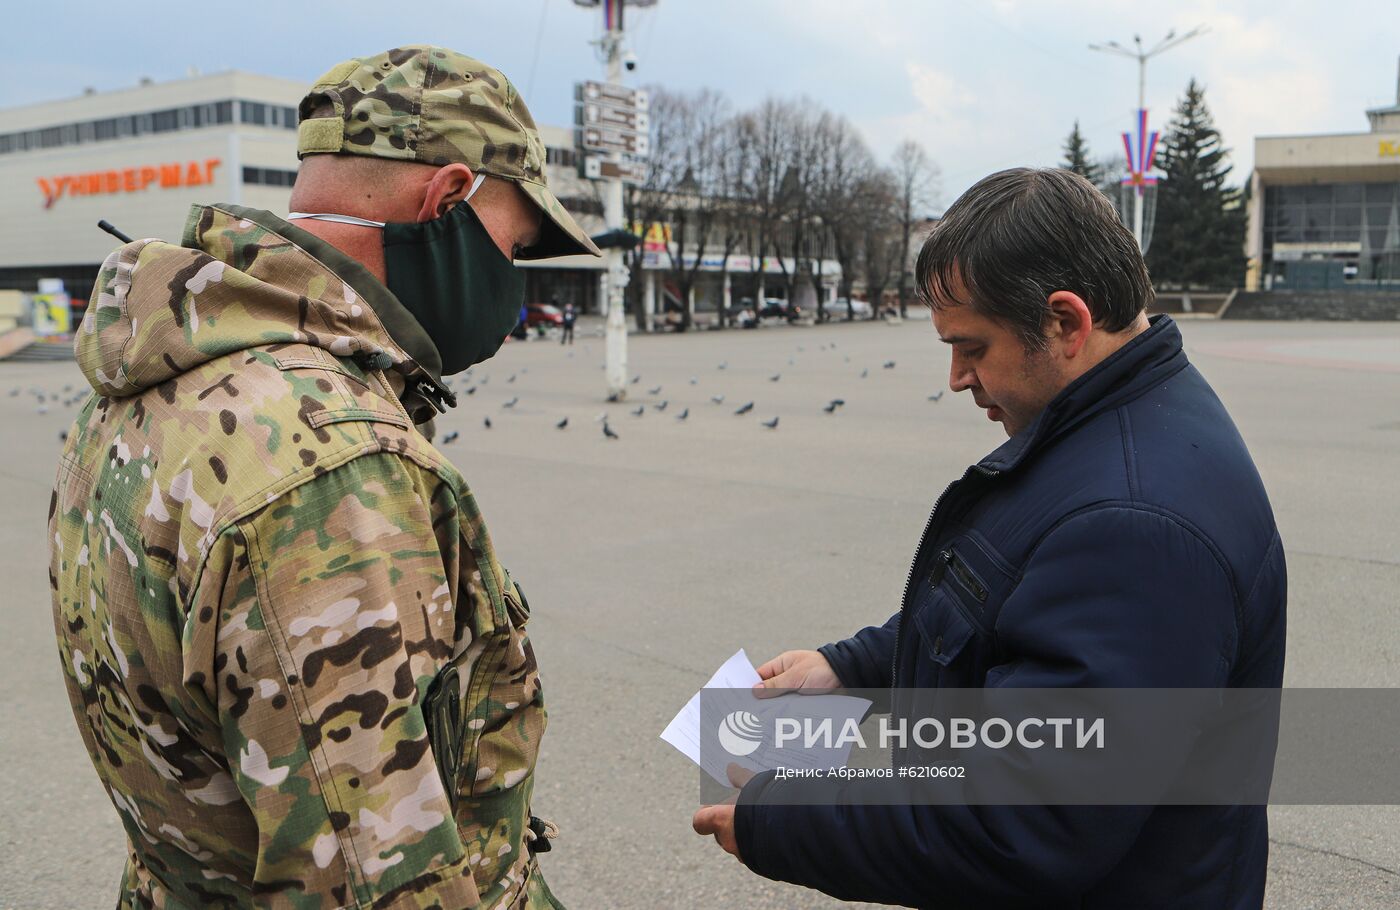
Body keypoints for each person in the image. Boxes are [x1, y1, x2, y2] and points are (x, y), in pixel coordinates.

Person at [49, 45, 599, 908]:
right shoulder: (330, 471)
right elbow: (372, 877)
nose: (510, 279)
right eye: (513, 244)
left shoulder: (151, 380)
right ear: (448, 198)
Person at [693, 167, 1286, 909]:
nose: (956, 377)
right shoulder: (1112, 420)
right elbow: (1012, 608)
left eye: (971, 347)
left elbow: (1014, 824)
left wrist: (779, 818)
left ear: (1066, 323)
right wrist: (847, 668)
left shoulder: (1136, 525)